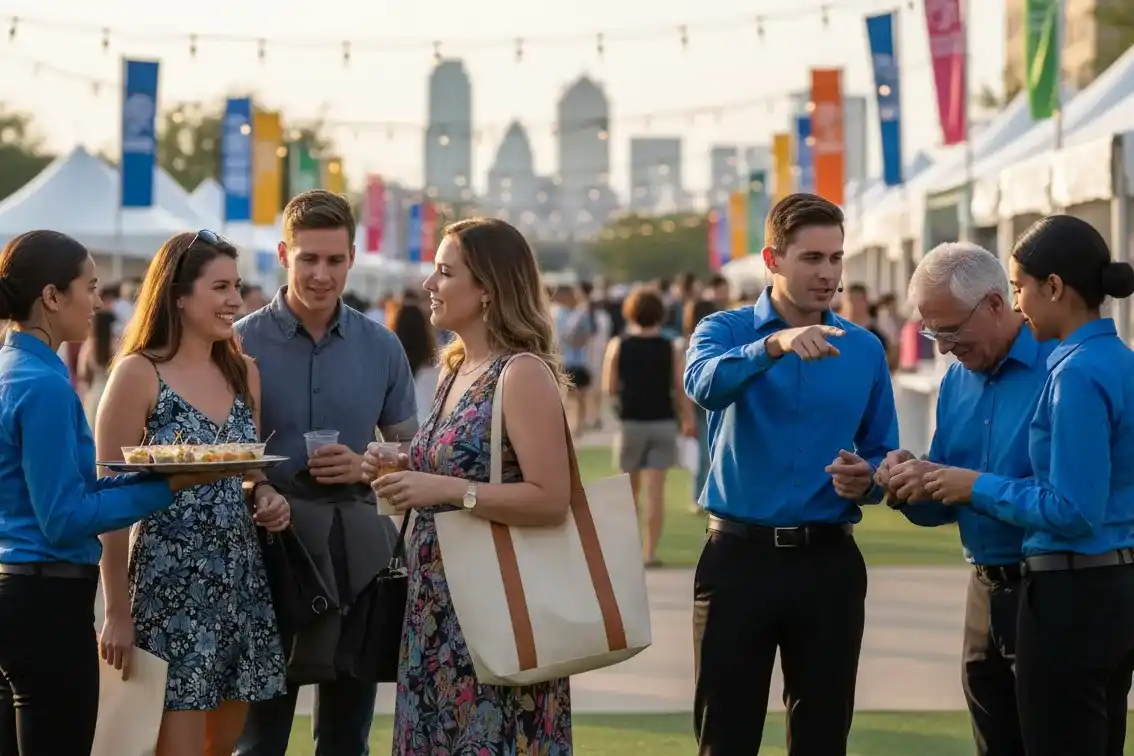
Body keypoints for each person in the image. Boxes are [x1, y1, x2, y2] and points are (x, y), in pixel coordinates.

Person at [683, 192, 898, 756]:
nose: (828, 273)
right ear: (772, 259)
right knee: (725, 738)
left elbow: (884, 452)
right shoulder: (723, 329)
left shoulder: (865, 350)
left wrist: (868, 478)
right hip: (737, 562)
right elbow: (702, 385)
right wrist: (772, 346)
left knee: (823, 739)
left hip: (829, 564)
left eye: (836, 258)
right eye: (812, 258)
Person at [0, 230, 219, 756]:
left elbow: (65, 495)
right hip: (45, 605)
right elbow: (63, 518)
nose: (99, 301)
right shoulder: (43, 384)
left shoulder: (16, 370)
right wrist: (166, 486)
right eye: (90, 286)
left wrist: (153, 478)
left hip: (23, 593)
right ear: (52, 297)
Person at [924, 215, 1134, 756]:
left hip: (1070, 592)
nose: (1017, 304)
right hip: (1109, 586)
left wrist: (976, 487)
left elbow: (1072, 509)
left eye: (1019, 288)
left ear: (1054, 287)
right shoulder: (1117, 361)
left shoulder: (1076, 372)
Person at [364, 217, 573, 755]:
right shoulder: (456, 367)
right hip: (434, 606)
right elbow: (464, 463)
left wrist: (445, 489)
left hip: (499, 609)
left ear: (487, 289)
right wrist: (401, 462)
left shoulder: (521, 373)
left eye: (445, 272)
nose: (429, 284)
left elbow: (552, 499)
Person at [233, 190, 419, 756]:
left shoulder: (381, 346)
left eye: (335, 260)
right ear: (283, 254)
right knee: (258, 740)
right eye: (308, 258)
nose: (321, 274)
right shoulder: (238, 342)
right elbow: (222, 454)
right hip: (270, 559)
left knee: (346, 739)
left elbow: (413, 453)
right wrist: (259, 485)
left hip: (358, 561)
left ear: (352, 258)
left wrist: (367, 464)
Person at [95, 231, 291, 756]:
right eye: (220, 287)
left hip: (239, 582)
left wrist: (265, 494)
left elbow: (249, 471)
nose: (235, 301)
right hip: (168, 584)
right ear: (179, 295)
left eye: (237, 286)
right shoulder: (139, 373)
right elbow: (108, 501)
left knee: (221, 747)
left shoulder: (243, 371)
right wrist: (116, 610)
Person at [875, 242, 1055, 756]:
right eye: (933, 333)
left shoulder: (1060, 368)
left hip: (1052, 588)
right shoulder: (956, 379)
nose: (943, 349)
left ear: (996, 303)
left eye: (951, 331)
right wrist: (908, 482)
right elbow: (946, 493)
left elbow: (1069, 501)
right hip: (984, 590)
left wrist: (967, 483)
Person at [602, 285, 690, 566]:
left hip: (631, 421)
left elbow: (609, 387)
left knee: (628, 493)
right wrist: (688, 419)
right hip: (663, 421)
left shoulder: (619, 345)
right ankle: (649, 553)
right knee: (656, 494)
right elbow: (679, 388)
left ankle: (627, 553)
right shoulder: (670, 347)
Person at [683, 298, 719, 514]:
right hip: (702, 408)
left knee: (704, 456)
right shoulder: (700, 342)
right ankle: (699, 497)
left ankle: (700, 497)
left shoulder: (688, 342)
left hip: (700, 407)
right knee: (704, 455)